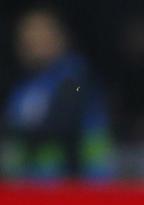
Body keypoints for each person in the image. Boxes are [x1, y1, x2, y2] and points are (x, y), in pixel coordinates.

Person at [2, 7, 113, 180]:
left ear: (60, 37)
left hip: (77, 186)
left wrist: (18, 133)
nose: (33, 40)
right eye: (27, 34)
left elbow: (62, 123)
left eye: (41, 32)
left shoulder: (75, 77)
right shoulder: (24, 87)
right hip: (29, 186)